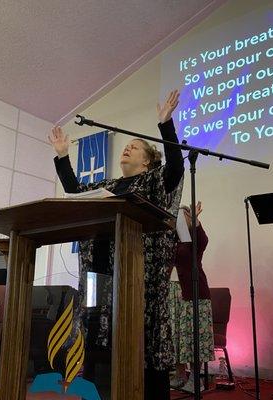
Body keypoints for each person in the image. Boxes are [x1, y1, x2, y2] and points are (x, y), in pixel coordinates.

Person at [49, 90, 184, 400]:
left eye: (133, 147)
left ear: (148, 161)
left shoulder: (155, 181)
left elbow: (176, 165)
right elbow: (74, 190)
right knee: (98, 339)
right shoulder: (107, 186)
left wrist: (166, 125)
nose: (126, 149)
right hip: (99, 278)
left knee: (141, 342)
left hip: (139, 280)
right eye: (125, 146)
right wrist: (62, 155)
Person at [168, 201, 214, 393]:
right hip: (172, 293)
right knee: (176, 336)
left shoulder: (194, 240)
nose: (180, 217)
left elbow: (204, 241)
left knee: (194, 336)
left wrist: (195, 223)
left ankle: (196, 380)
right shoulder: (170, 239)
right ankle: (180, 375)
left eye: (184, 214)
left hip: (193, 293)